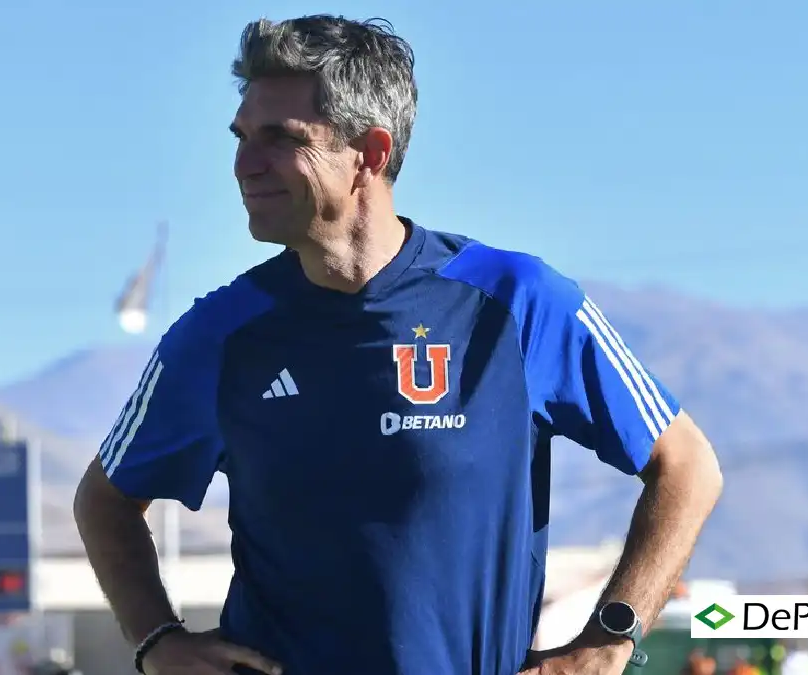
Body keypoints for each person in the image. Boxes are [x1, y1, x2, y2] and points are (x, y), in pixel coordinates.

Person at [73, 14, 723, 675]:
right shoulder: (220, 332)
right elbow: (104, 500)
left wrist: (607, 641)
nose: (244, 164)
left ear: (371, 153)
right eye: (241, 137)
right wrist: (157, 639)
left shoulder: (515, 301)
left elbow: (688, 467)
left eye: (280, 138)